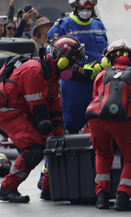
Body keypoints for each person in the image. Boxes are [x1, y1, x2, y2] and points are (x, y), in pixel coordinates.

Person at [0, 36, 86, 203]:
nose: (73, 66)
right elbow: (41, 116)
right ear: (60, 59)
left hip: (21, 109)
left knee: (58, 143)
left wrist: (60, 139)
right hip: (7, 110)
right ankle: (7, 188)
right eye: (72, 62)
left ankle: (49, 188)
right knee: (35, 147)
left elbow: (55, 111)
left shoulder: (52, 75)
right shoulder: (34, 72)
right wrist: (52, 140)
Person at [85, 39, 131, 210]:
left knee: (102, 154)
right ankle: (123, 196)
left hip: (96, 118)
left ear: (108, 59)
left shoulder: (100, 75)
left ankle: (102, 198)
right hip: (123, 118)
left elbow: (96, 99)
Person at [48, 0, 108, 134]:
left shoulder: (99, 25)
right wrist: (81, 69)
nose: (86, 10)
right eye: (82, 6)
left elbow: (105, 51)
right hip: (75, 86)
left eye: (89, 7)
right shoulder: (62, 27)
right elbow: (53, 60)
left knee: (100, 126)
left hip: (99, 84)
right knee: (74, 128)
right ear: (73, 6)